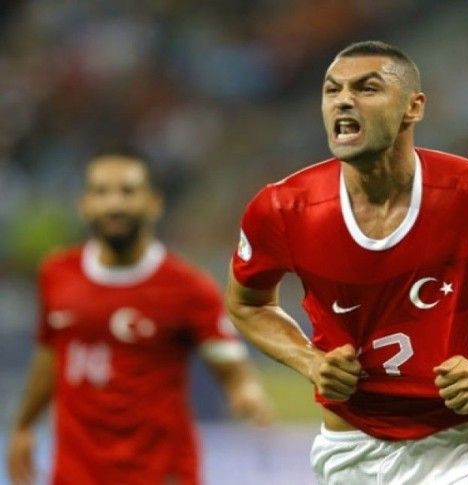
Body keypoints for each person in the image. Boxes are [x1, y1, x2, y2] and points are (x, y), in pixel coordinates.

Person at [225, 40, 468, 484]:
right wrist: (308, 361)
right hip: (351, 452)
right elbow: (248, 304)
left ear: (413, 107)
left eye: (367, 88)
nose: (344, 101)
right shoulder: (281, 208)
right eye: (332, 90)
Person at [6, 154, 274, 485]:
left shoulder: (187, 287)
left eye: (128, 191)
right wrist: (25, 424)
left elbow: (229, 362)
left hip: (160, 473)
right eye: (102, 192)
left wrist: (246, 391)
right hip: (76, 473)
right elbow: (51, 355)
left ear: (154, 203)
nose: (114, 204)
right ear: (85, 204)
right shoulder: (57, 275)